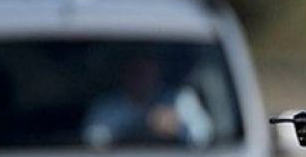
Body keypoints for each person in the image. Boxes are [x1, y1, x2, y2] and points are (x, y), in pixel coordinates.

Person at [83, 54, 214, 149]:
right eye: (136, 71)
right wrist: (140, 128)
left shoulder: (180, 100)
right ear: (125, 74)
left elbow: (204, 135)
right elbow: (93, 140)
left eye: (146, 71)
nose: (141, 78)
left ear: (157, 73)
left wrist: (177, 127)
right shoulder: (108, 107)